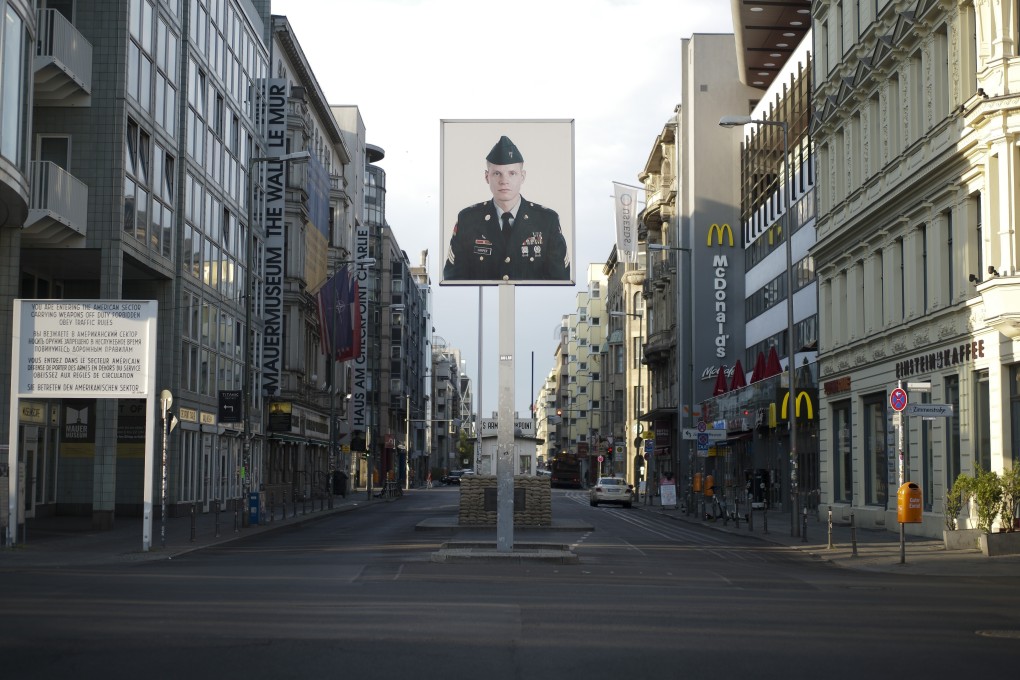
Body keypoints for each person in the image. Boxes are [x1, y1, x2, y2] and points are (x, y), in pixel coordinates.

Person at [443, 135, 570, 282]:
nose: (504, 181)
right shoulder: (468, 220)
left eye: (512, 173)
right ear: (486, 177)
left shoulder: (547, 221)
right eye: (497, 173)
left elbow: (560, 279)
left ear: (522, 177)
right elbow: (454, 279)